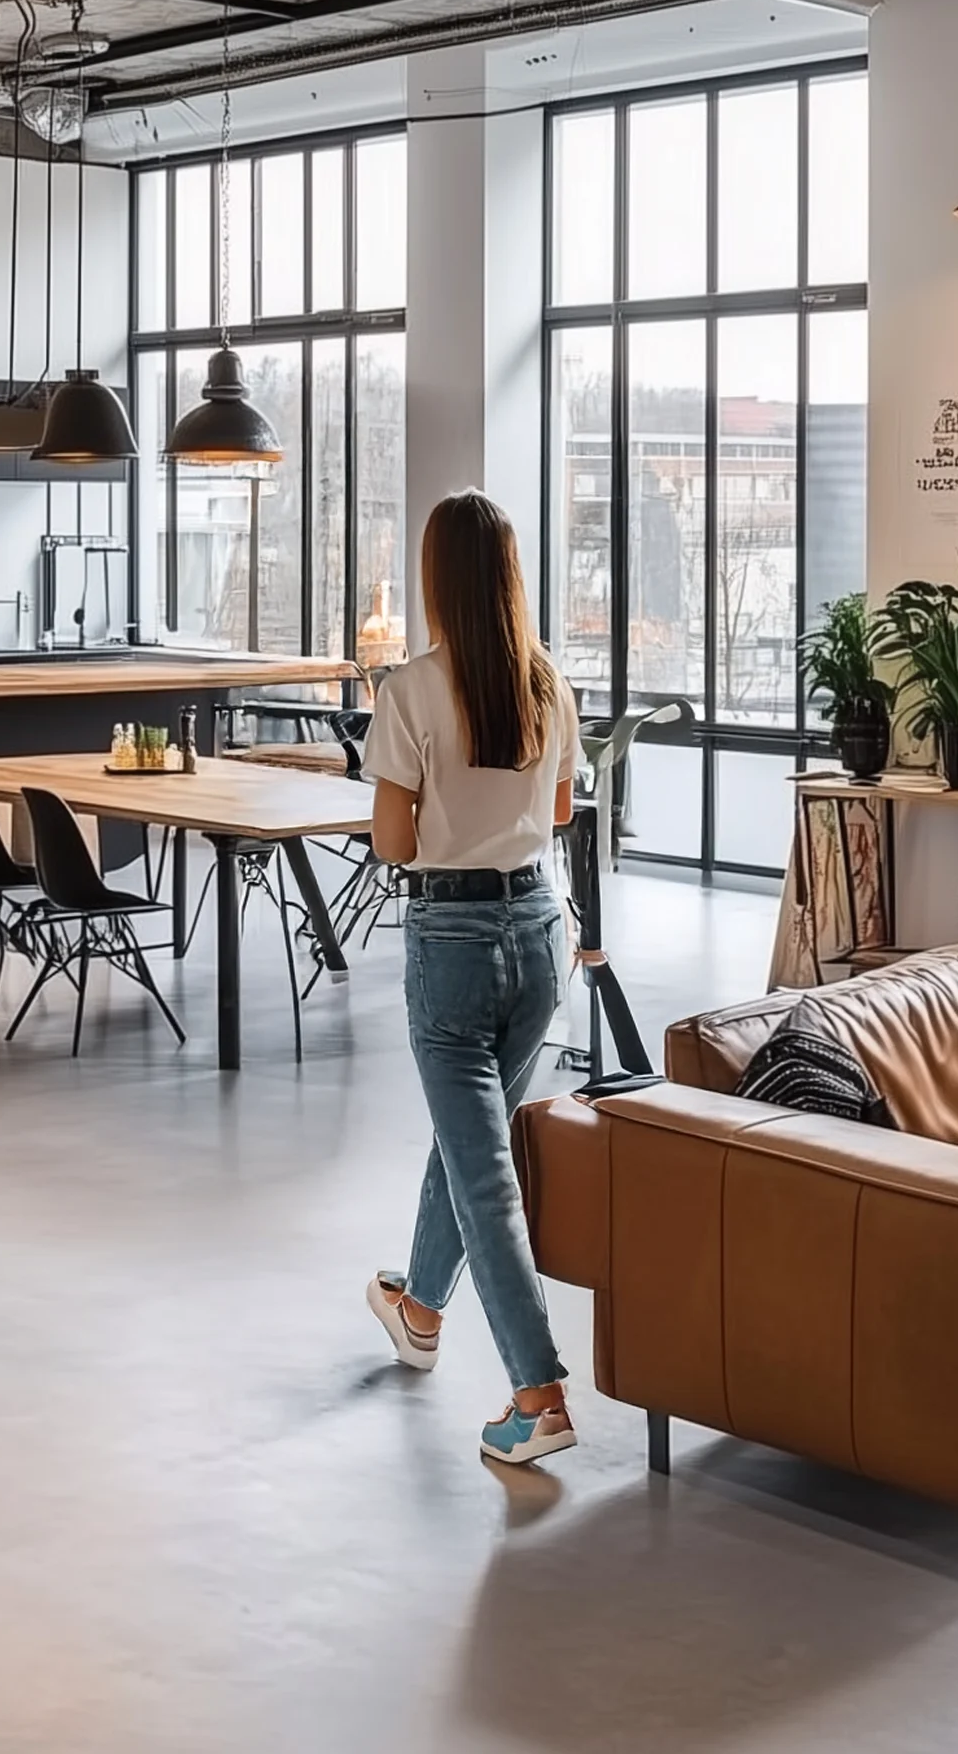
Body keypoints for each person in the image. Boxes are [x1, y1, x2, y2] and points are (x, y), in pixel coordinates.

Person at [362, 489, 585, 1466]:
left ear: (437, 581)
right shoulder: (547, 682)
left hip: (450, 936)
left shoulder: (411, 690)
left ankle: (539, 1396)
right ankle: (419, 1308)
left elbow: (392, 840)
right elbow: (562, 811)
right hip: (538, 932)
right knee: (472, 1142)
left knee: (484, 1170)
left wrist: (442, 810)